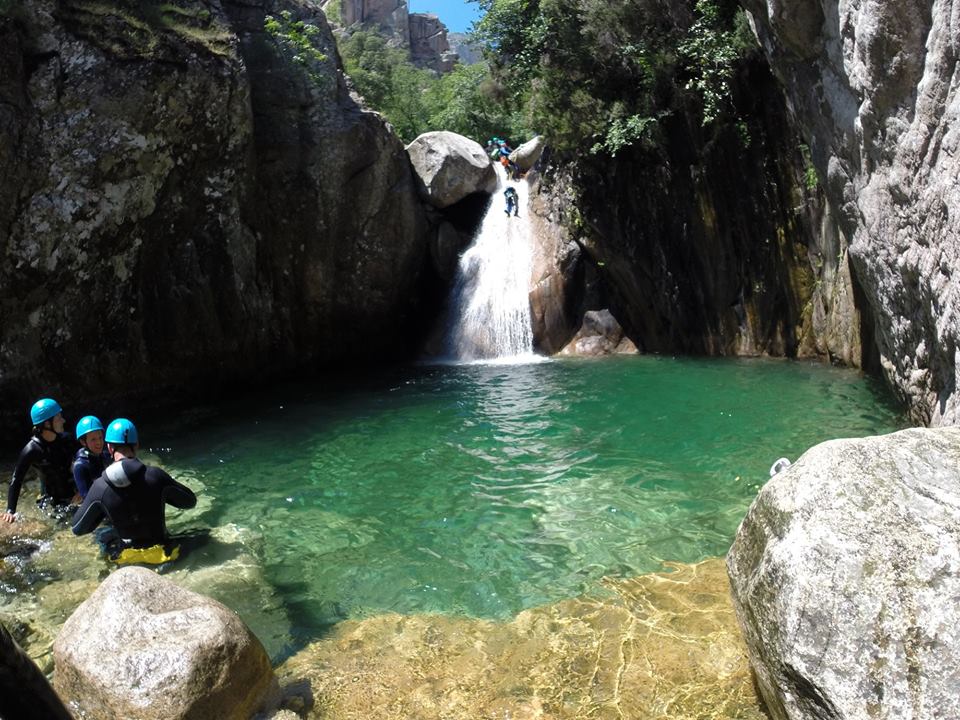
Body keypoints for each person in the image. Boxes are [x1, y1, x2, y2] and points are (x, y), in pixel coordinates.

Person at [71, 418, 197, 563]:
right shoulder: (156, 475)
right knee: (203, 534)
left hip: (126, 560)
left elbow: (77, 529)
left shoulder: (99, 487)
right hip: (165, 552)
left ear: (110, 448)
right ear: (136, 445)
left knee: (103, 536)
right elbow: (190, 502)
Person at [3, 398, 77, 523]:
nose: (63, 421)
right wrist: (10, 511)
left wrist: (82, 490)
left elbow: (84, 464)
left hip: (73, 495)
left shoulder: (67, 439)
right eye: (59, 418)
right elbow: (16, 480)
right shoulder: (32, 450)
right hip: (51, 503)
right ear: (47, 424)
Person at [72, 415, 110, 499]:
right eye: (93, 439)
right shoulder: (80, 466)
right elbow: (87, 497)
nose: (99, 442)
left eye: (100, 437)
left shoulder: (106, 456)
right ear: (83, 442)